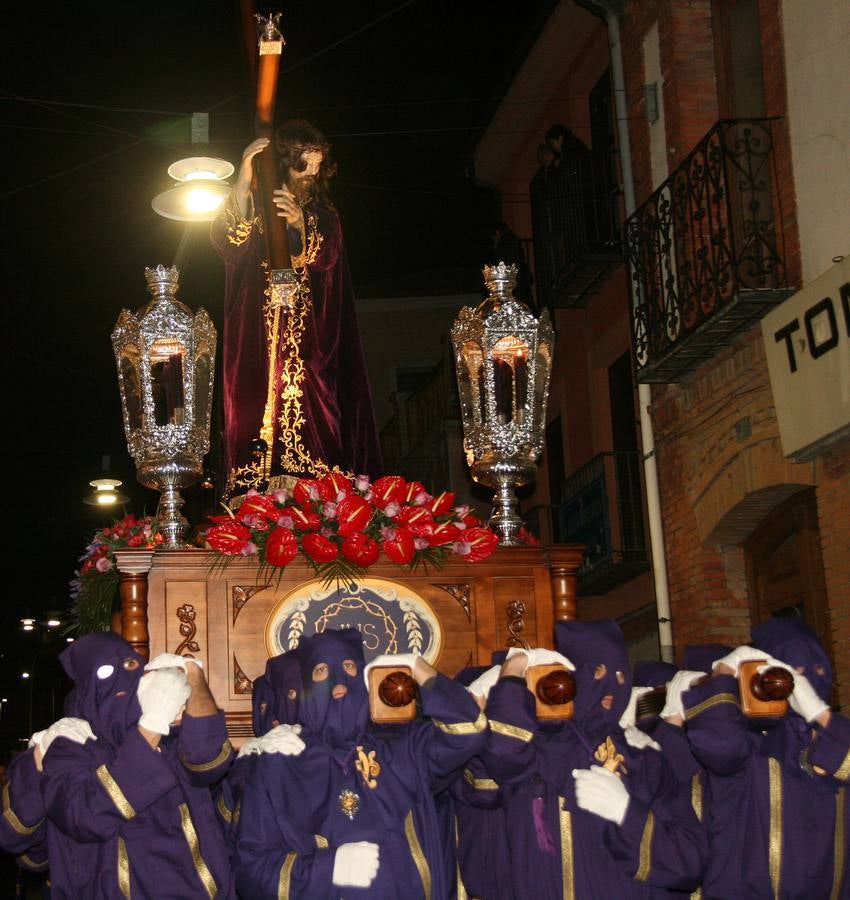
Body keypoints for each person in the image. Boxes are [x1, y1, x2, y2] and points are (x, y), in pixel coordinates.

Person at [234, 629, 487, 898]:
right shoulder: (277, 765)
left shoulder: (404, 747)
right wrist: (326, 870)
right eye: (321, 670)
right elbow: (250, 872)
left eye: (349, 666)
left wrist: (417, 667)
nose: (339, 681)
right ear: (307, 687)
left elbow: (469, 729)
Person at [211, 119, 383, 487]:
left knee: (314, 408)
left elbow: (327, 255)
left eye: (318, 167)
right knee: (250, 409)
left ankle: (316, 489)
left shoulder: (324, 217)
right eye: (305, 165)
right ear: (285, 163)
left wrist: (300, 225)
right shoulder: (255, 209)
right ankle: (253, 490)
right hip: (255, 337)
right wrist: (243, 178)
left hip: (310, 340)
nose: (312, 174)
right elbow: (227, 241)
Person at [483, 620, 706, 898]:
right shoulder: (535, 749)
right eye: (597, 672)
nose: (612, 687)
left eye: (621, 675)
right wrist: (514, 670)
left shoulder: (644, 759)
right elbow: (503, 753)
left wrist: (626, 814)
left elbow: (689, 861)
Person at [40, 634, 236, 898]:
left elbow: (209, 759)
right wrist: (151, 727)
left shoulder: (170, 733)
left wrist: (192, 674)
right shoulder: (72, 746)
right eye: (104, 671)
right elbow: (84, 816)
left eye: (130, 665)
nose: (120, 677)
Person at [679, 620, 850, 899]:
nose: (807, 680)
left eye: (818, 669)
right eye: (795, 671)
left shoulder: (836, 740)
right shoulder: (752, 746)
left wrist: (819, 714)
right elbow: (718, 745)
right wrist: (723, 675)